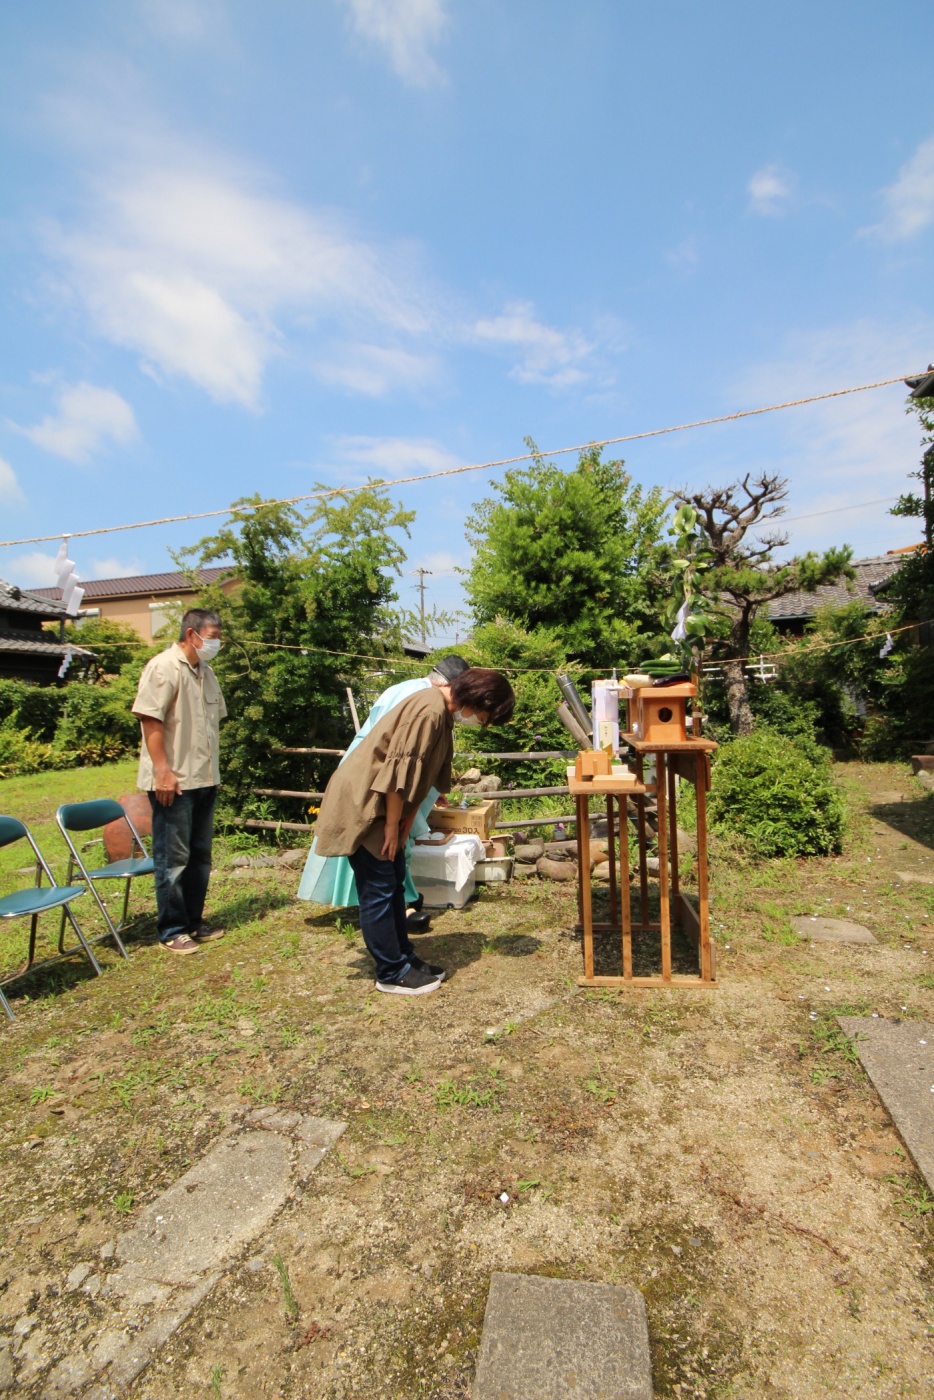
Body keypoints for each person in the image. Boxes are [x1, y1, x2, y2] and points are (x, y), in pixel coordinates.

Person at [313, 668, 515, 995]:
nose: (481, 722)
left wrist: (406, 822)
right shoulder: (430, 708)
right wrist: (392, 825)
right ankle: (391, 972)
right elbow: (397, 771)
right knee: (379, 886)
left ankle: (403, 957)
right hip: (368, 802)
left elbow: (422, 773)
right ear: (481, 700)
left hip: (383, 804)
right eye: (486, 716)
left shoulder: (441, 711)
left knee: (392, 880)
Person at [297, 655, 469, 917]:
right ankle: (388, 909)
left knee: (395, 846)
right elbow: (398, 757)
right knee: (380, 844)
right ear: (450, 686)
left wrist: (435, 787)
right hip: (381, 781)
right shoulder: (425, 700)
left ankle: (395, 904)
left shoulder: (421, 694)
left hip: (393, 780)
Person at [132, 608, 227, 955]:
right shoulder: (163, 668)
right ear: (192, 634)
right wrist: (162, 771)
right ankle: (171, 928)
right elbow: (150, 721)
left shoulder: (206, 672)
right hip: (173, 780)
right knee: (173, 859)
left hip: (204, 777)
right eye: (212, 636)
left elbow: (210, 725)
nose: (216, 643)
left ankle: (193, 921)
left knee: (200, 856)